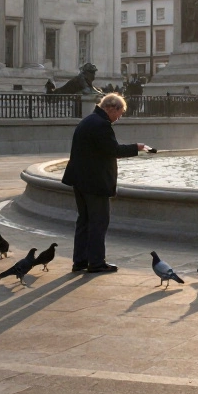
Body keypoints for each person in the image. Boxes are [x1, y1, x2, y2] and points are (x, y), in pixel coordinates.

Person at [61, 93, 150, 273]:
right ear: (111, 108)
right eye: (120, 113)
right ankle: (96, 262)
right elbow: (113, 150)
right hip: (95, 183)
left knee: (84, 221)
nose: (120, 117)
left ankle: (80, 261)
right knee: (98, 222)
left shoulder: (88, 121)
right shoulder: (102, 125)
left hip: (80, 180)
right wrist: (137, 147)